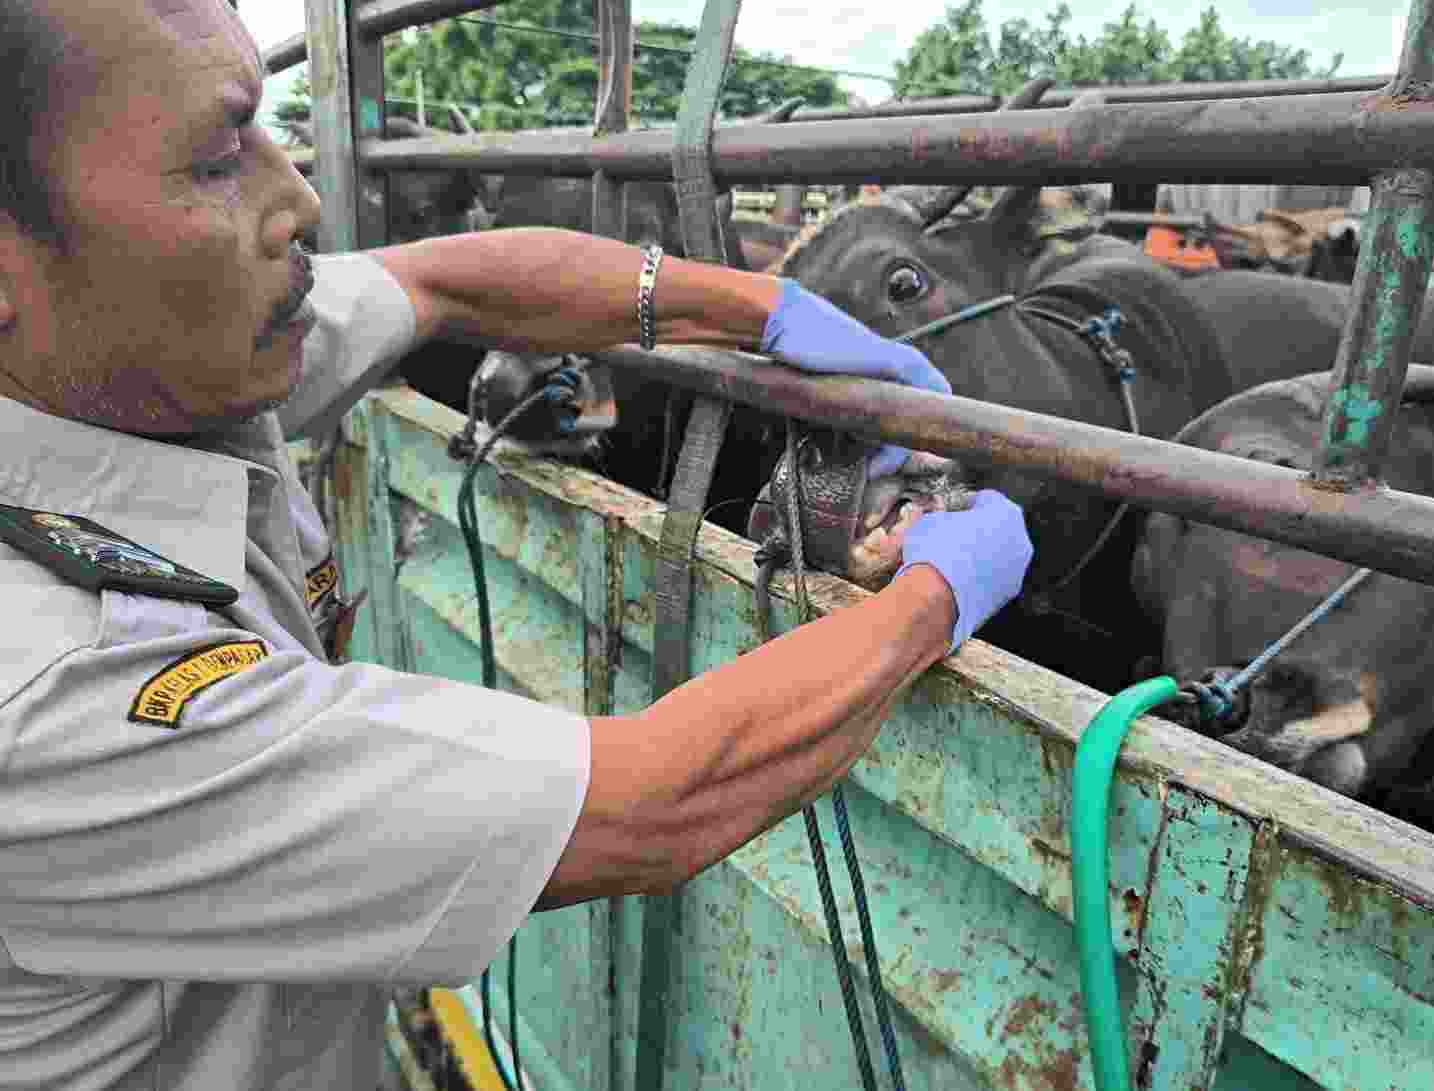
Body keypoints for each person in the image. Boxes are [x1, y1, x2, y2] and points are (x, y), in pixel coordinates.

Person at [0, 1, 1033, 1087]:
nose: (298, 197)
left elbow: (449, 277)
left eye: (269, 131)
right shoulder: (48, 689)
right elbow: (650, 798)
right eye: (217, 160)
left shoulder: (142, 356)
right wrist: (932, 593)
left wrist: (759, 304)